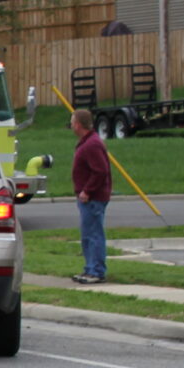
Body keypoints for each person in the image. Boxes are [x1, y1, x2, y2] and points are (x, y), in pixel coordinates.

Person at [70, 107, 111, 284]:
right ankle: (89, 268)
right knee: (87, 235)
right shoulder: (87, 142)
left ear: (78, 124)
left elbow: (101, 171)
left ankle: (96, 271)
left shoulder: (92, 144)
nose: (71, 125)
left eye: (72, 122)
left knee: (94, 234)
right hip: (87, 197)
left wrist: (88, 190)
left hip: (93, 198)